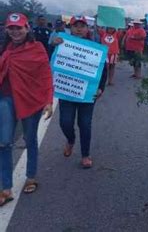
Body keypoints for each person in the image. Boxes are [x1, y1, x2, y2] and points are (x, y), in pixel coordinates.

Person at [0, 13, 53, 206]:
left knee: (30, 139)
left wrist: (48, 100)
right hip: (6, 99)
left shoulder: (37, 49)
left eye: (19, 28)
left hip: (31, 100)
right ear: (6, 29)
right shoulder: (4, 48)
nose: (15, 32)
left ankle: (31, 176)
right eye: (11, 28)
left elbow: (46, 75)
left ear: (27, 28)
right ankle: (6, 188)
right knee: (4, 142)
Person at [51, 16, 107, 169]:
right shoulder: (62, 43)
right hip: (67, 91)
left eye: (82, 26)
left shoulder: (95, 47)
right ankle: (70, 139)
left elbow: (103, 69)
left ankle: (85, 154)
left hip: (87, 93)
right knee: (65, 122)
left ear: (87, 28)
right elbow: (50, 60)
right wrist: (52, 45)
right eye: (76, 26)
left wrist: (101, 87)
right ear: (71, 28)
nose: (79, 28)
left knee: (85, 124)